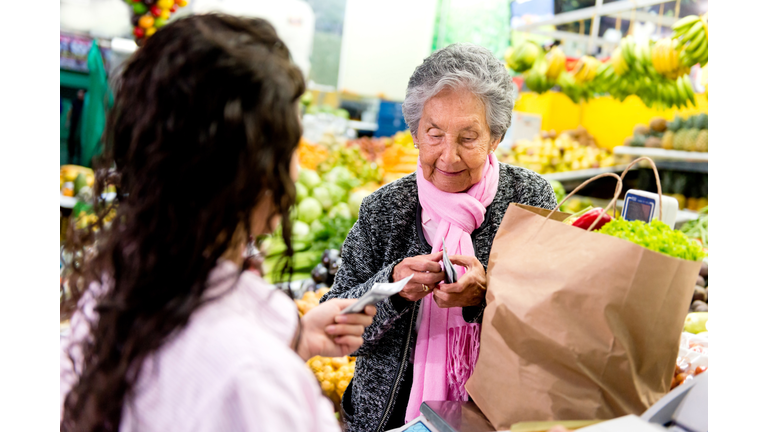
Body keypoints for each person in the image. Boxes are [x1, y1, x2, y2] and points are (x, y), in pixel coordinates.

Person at [59, 14, 376, 432]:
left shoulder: (112, 288)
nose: (297, 169)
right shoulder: (256, 378)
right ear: (251, 171)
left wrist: (299, 339)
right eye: (293, 146)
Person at [322, 43, 559, 432]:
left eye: (468, 138)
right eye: (434, 134)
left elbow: (553, 320)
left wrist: (485, 297)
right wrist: (392, 286)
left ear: (496, 137)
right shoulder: (384, 209)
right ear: (415, 132)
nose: (448, 157)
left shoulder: (530, 199)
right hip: (385, 418)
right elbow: (336, 324)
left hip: (496, 416)